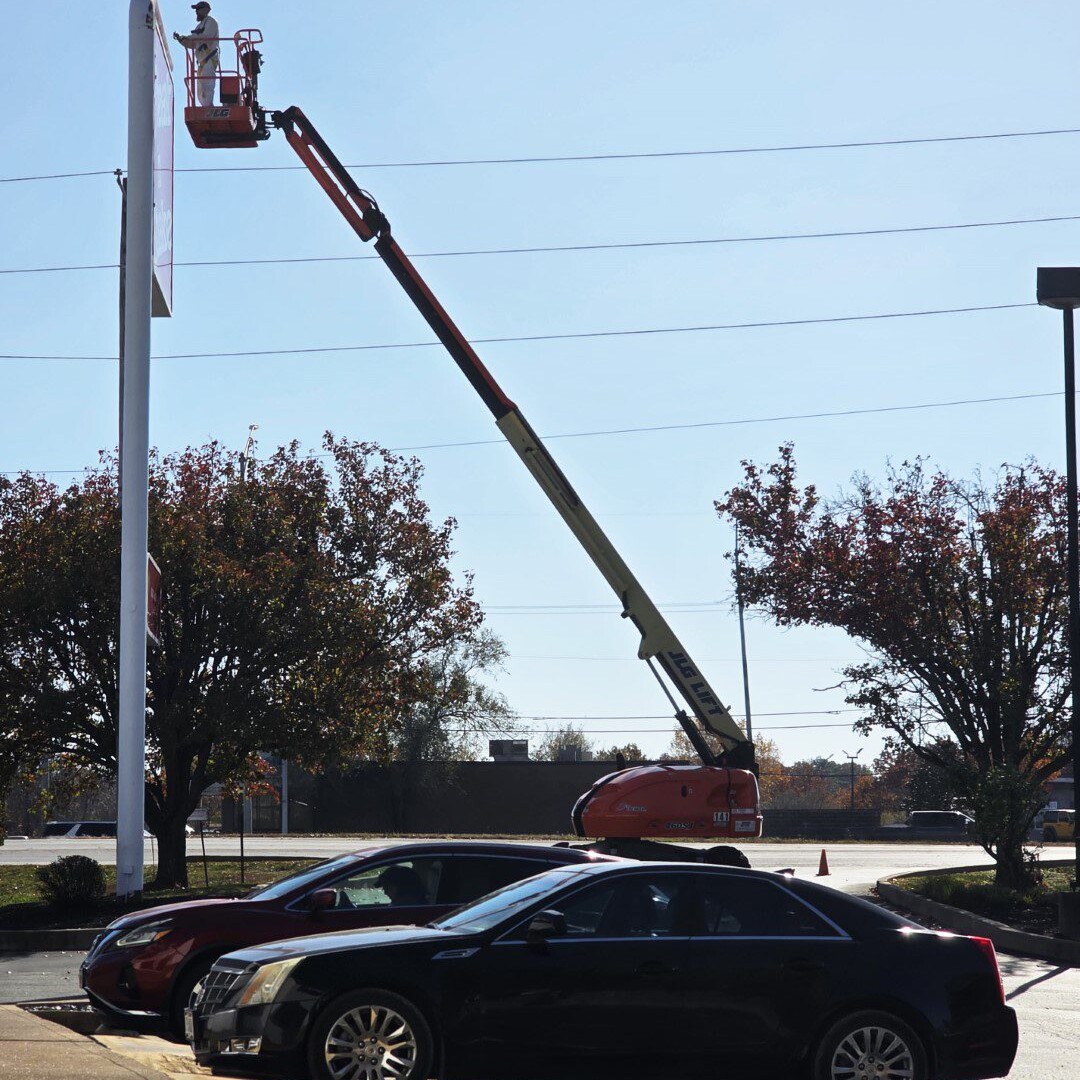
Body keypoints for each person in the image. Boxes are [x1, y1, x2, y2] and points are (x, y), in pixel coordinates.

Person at [174, 2, 220, 107]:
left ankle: (208, 106)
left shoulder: (211, 22)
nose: (196, 12)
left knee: (207, 83)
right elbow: (193, 43)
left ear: (206, 10)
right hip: (202, 61)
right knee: (201, 87)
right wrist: (181, 39)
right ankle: (205, 106)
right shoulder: (200, 25)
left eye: (198, 9)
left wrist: (189, 37)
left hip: (209, 57)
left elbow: (206, 36)